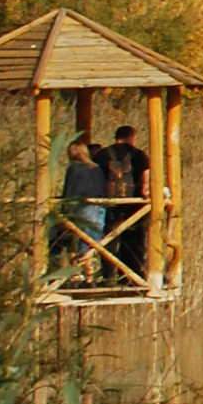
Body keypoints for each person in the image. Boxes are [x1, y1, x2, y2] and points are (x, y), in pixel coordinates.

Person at [55, 136, 109, 285]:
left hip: (81, 209)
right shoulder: (97, 168)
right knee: (90, 245)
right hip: (98, 210)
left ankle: (76, 276)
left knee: (75, 242)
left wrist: (63, 210)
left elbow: (70, 192)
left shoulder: (74, 168)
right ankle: (90, 277)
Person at [103, 122, 152, 282]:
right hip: (134, 206)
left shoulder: (102, 154)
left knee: (108, 240)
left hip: (109, 205)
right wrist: (145, 191)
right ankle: (132, 276)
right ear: (132, 137)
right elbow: (146, 180)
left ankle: (108, 276)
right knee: (134, 241)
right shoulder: (139, 155)